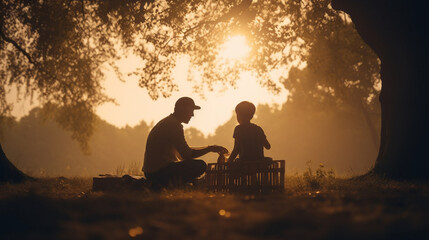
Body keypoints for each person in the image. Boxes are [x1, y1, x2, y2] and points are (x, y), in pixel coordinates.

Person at [143, 96, 228, 188]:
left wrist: (210, 147)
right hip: (159, 173)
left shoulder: (169, 122)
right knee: (200, 165)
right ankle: (186, 184)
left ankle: (186, 184)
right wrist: (210, 149)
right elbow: (187, 154)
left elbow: (185, 150)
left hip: (152, 172)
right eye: (191, 111)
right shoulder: (173, 126)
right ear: (182, 110)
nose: (192, 115)